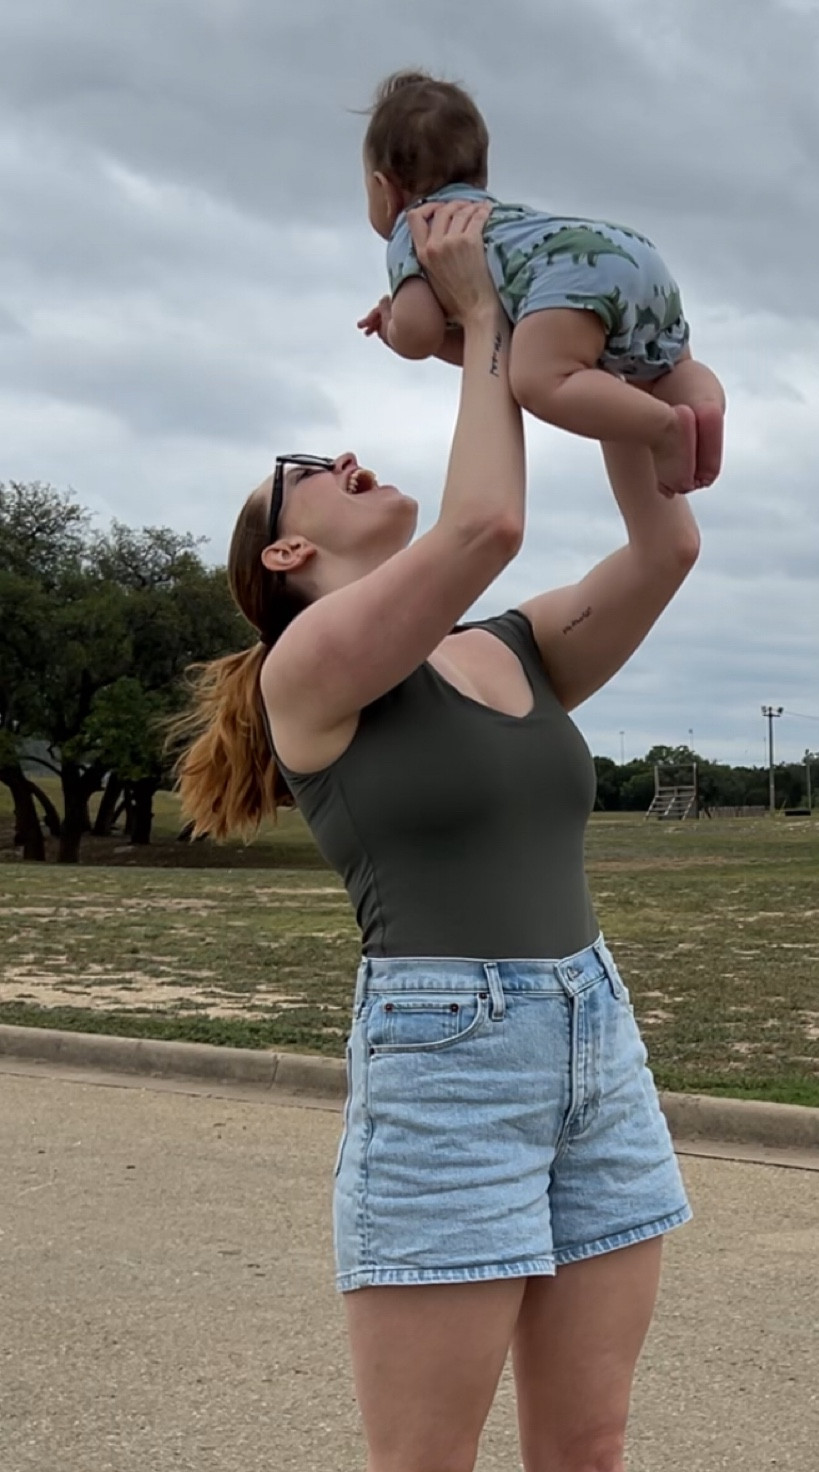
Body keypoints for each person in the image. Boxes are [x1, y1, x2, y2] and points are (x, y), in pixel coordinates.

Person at [172, 200, 702, 1472]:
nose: (347, 456)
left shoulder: (511, 645)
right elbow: (484, 526)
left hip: (593, 1037)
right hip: (447, 1065)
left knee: (591, 1445)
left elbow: (667, 542)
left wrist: (611, 361)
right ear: (289, 546)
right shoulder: (308, 671)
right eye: (312, 465)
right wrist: (482, 320)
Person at [357, 69, 726, 497]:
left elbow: (419, 333)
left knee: (539, 381)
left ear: (384, 190)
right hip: (634, 254)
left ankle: (664, 428)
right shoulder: (501, 223)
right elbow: (496, 347)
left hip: (573, 273)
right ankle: (702, 405)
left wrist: (392, 325)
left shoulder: (416, 228)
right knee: (670, 371)